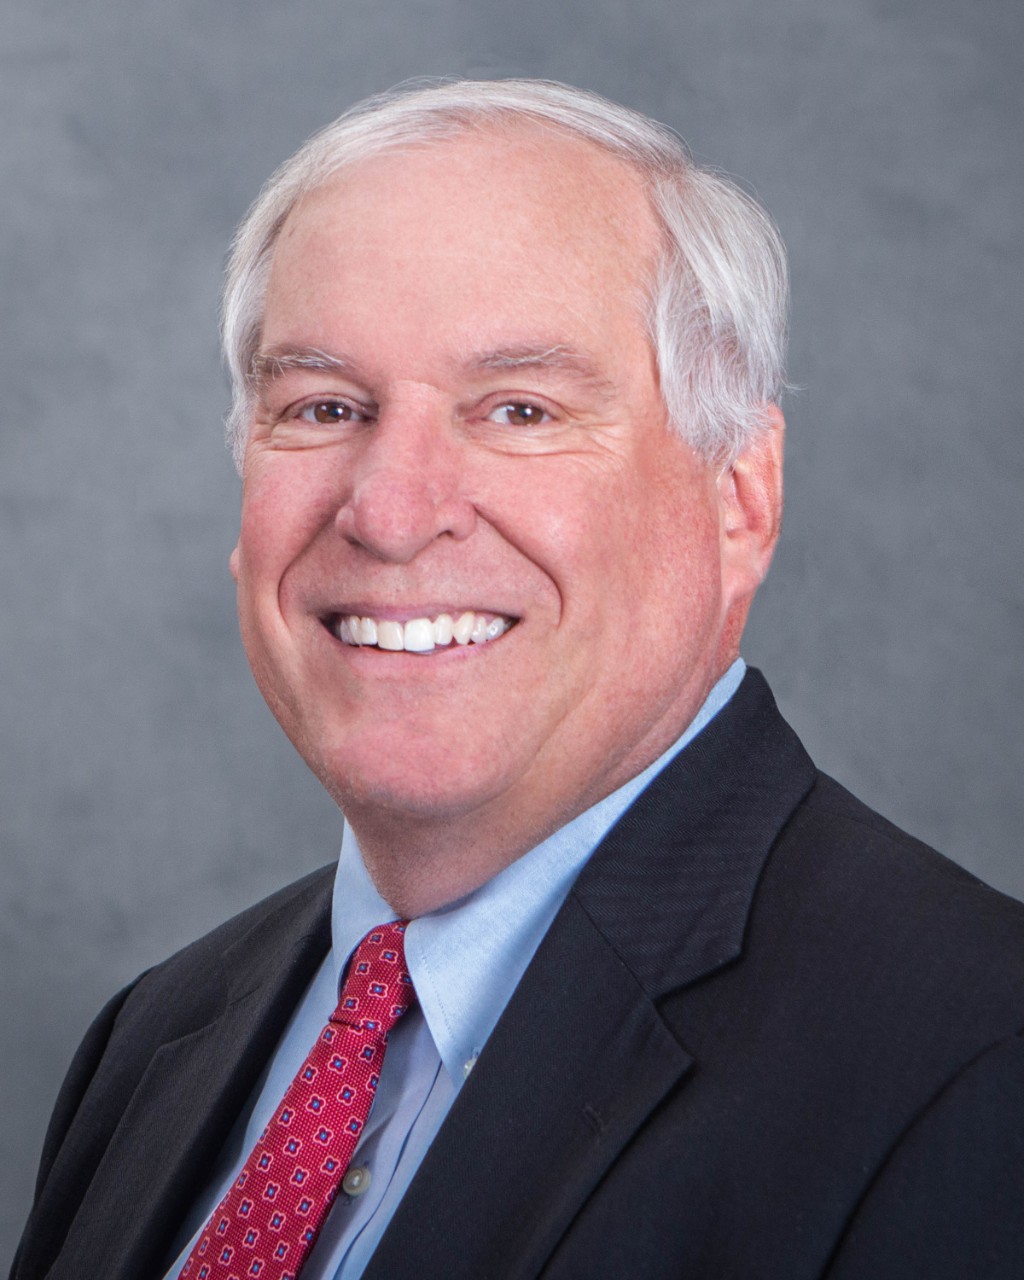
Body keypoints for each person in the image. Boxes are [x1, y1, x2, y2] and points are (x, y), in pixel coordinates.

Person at [12, 79, 1024, 1280]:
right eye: (323, 405)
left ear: (738, 500)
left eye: (520, 409)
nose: (390, 512)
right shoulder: (156, 1038)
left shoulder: (974, 1067)